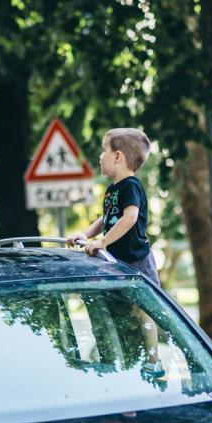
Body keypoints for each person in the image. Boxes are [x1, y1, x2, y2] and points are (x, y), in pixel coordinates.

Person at [67, 128, 162, 375]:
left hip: (137, 259)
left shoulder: (131, 186)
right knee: (125, 312)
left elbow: (129, 218)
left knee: (143, 311)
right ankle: (131, 359)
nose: (100, 156)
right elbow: (107, 217)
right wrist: (87, 235)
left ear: (118, 156)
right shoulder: (113, 189)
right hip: (118, 260)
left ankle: (153, 362)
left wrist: (103, 242)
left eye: (104, 150)